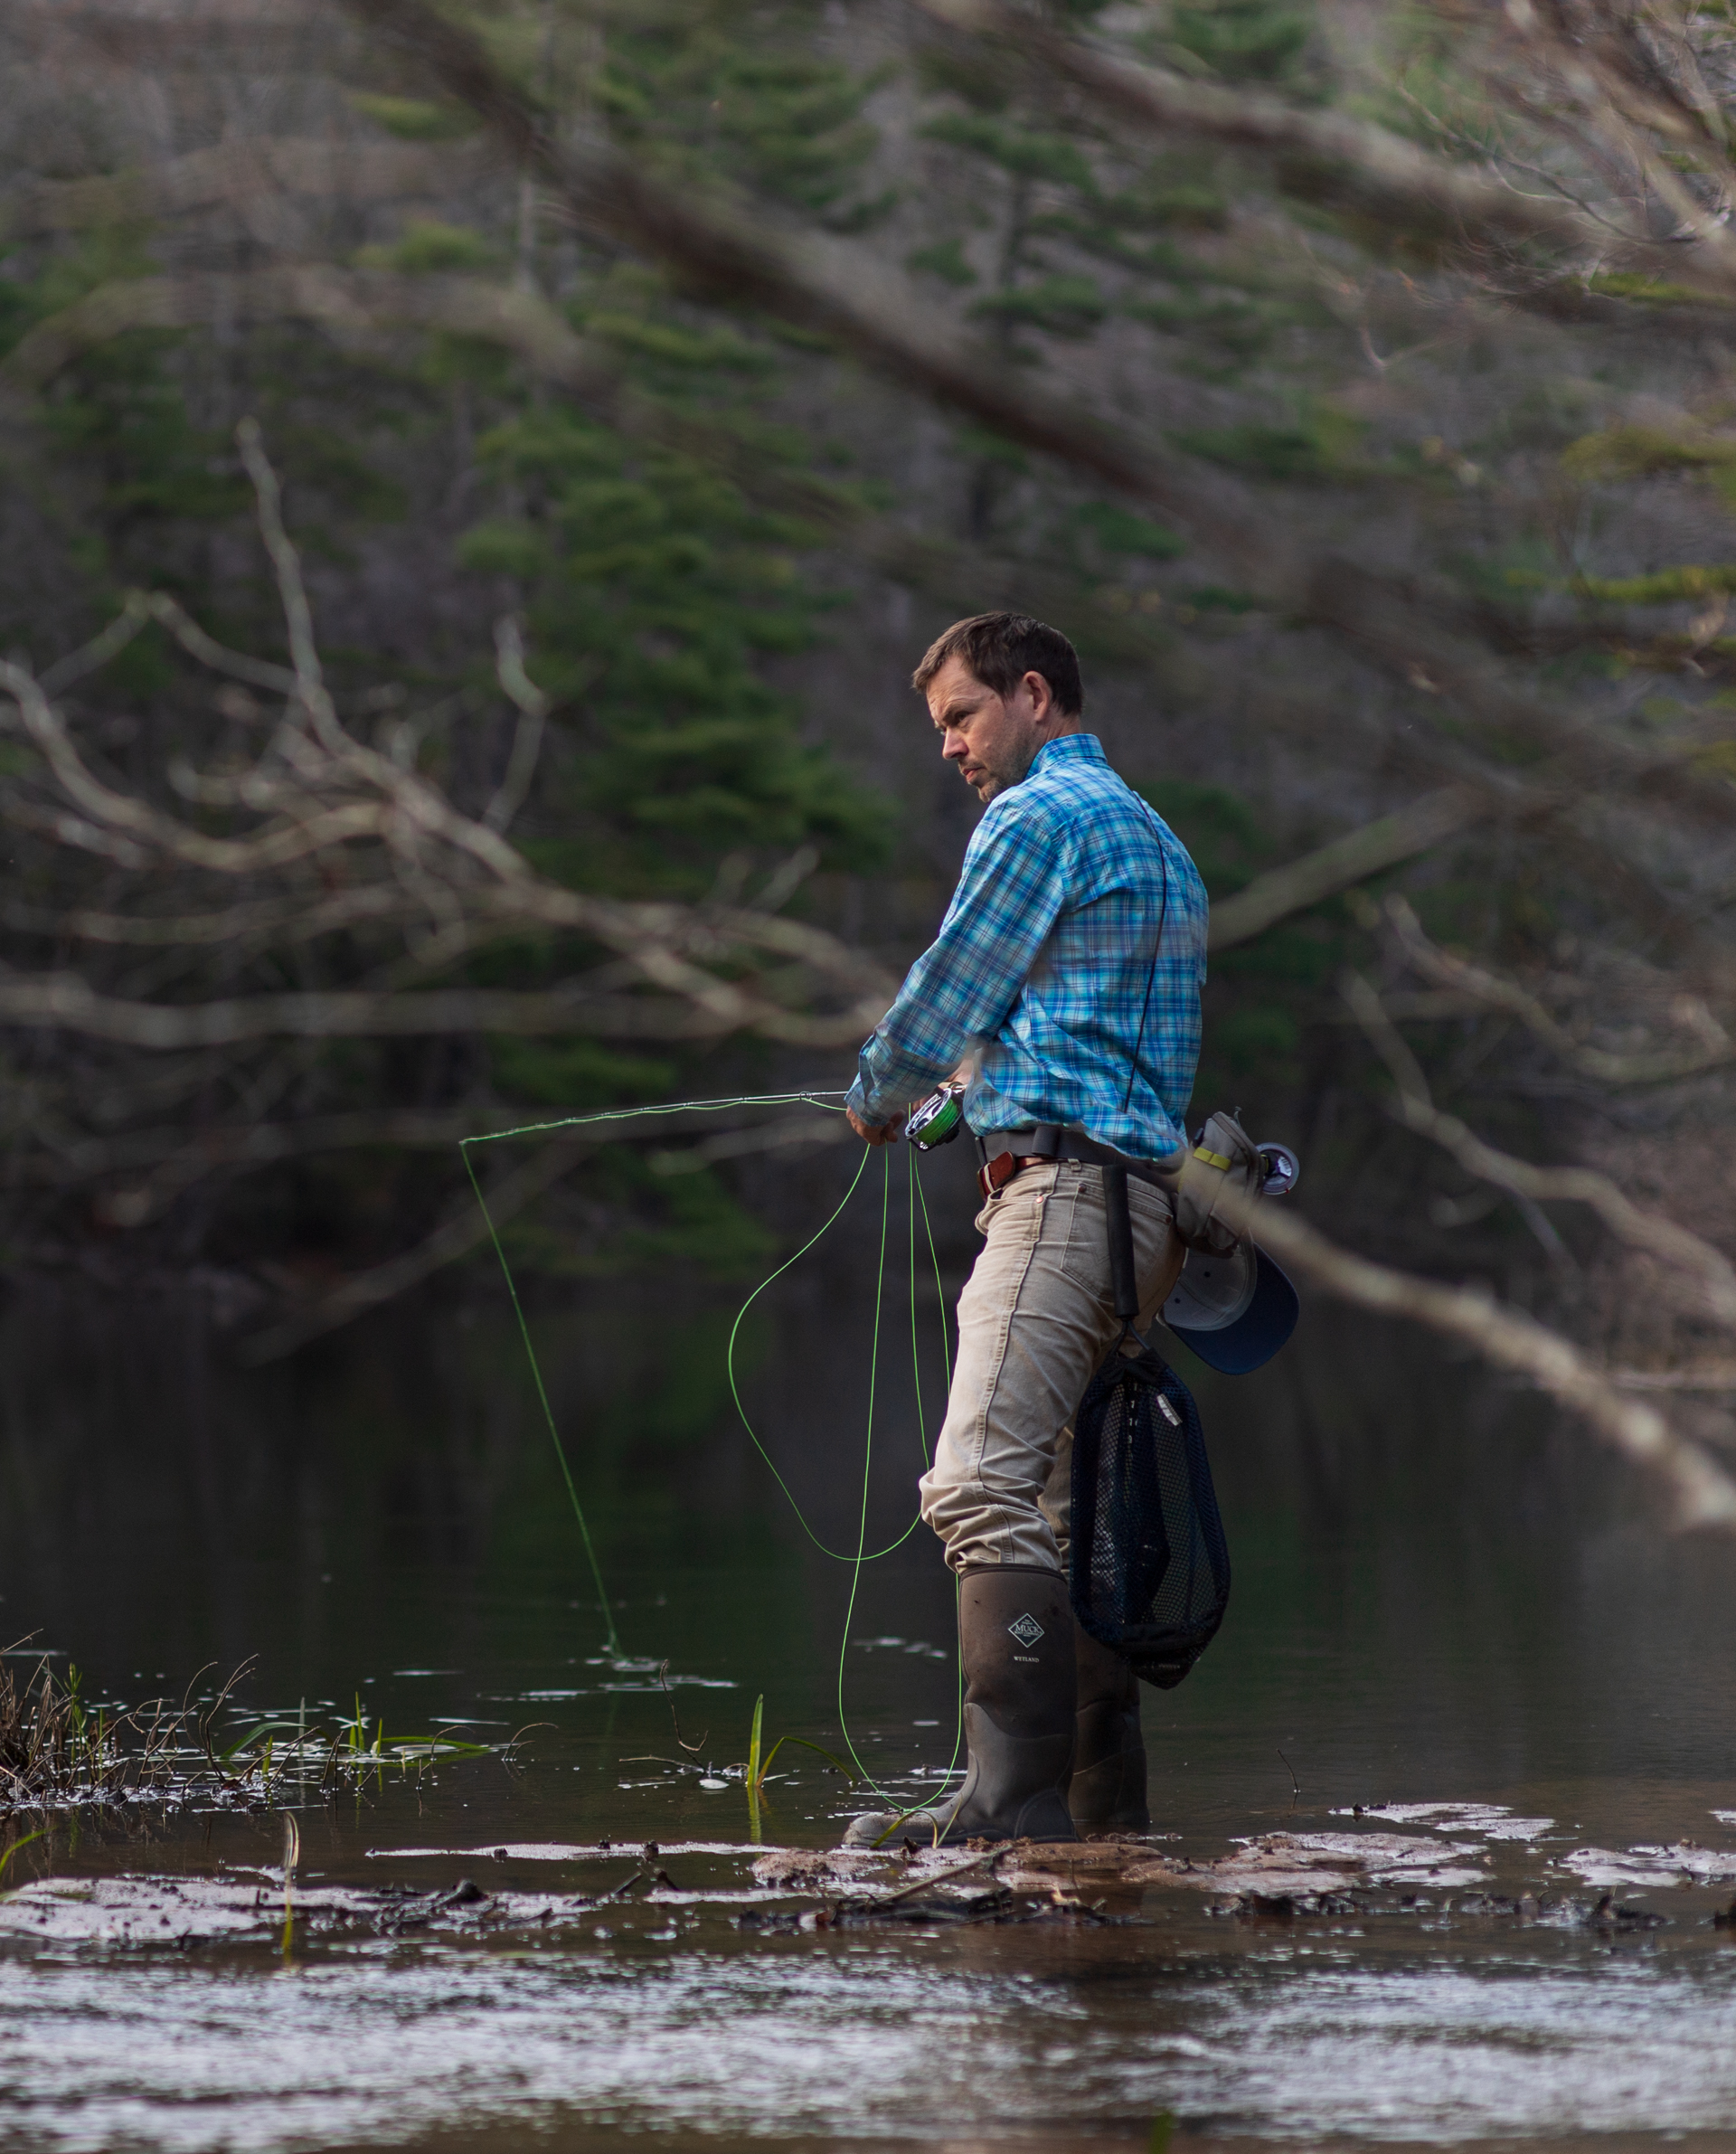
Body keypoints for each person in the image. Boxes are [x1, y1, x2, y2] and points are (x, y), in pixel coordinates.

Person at [843, 611, 1208, 1846]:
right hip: (1142, 1214)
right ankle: (1104, 1818)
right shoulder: (1157, 840)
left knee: (973, 1483)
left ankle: (1012, 1805)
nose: (949, 745)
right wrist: (967, 1096)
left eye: (961, 714)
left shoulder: (1033, 817)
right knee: (1070, 1512)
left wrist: (880, 1094)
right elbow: (1077, 1035)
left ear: (1034, 693)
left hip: (1057, 1203)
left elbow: (953, 982)